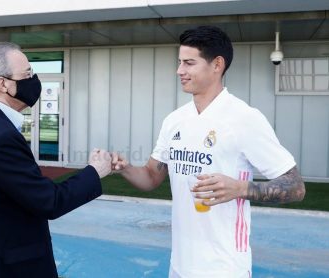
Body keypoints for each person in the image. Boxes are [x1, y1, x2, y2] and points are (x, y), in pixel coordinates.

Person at [111, 26, 305, 278]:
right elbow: (151, 177)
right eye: (179, 62)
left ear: (217, 65)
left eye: (189, 63)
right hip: (180, 265)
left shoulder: (244, 118)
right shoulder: (174, 121)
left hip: (224, 268)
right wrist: (125, 168)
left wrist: (240, 189)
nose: (179, 71)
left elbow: (296, 187)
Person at [0, 42, 112, 278]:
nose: (34, 80)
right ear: (2, 84)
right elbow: (49, 201)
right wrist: (95, 171)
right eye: (27, 74)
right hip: (3, 267)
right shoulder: (0, 136)